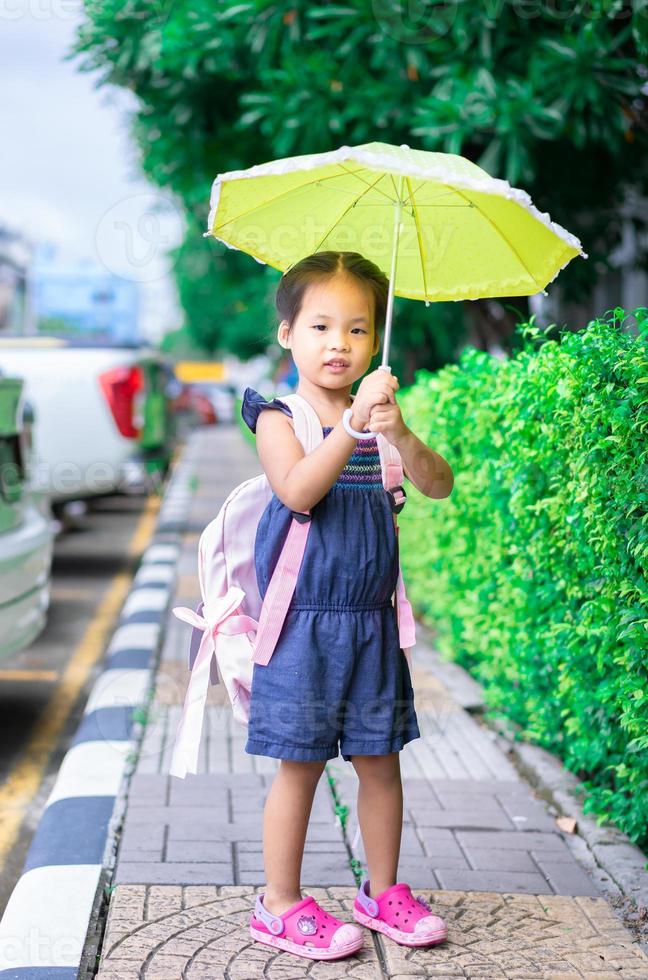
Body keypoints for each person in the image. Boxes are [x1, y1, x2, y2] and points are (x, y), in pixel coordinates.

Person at [241, 250, 454, 961]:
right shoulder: (281, 416)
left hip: (371, 625)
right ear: (287, 335)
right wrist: (353, 427)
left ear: (375, 340)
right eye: (321, 326)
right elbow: (299, 489)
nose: (340, 344)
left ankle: (381, 890)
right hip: (302, 626)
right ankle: (279, 903)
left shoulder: (382, 419)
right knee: (298, 765)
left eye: (359, 330)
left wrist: (397, 432)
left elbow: (438, 485)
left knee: (380, 761)